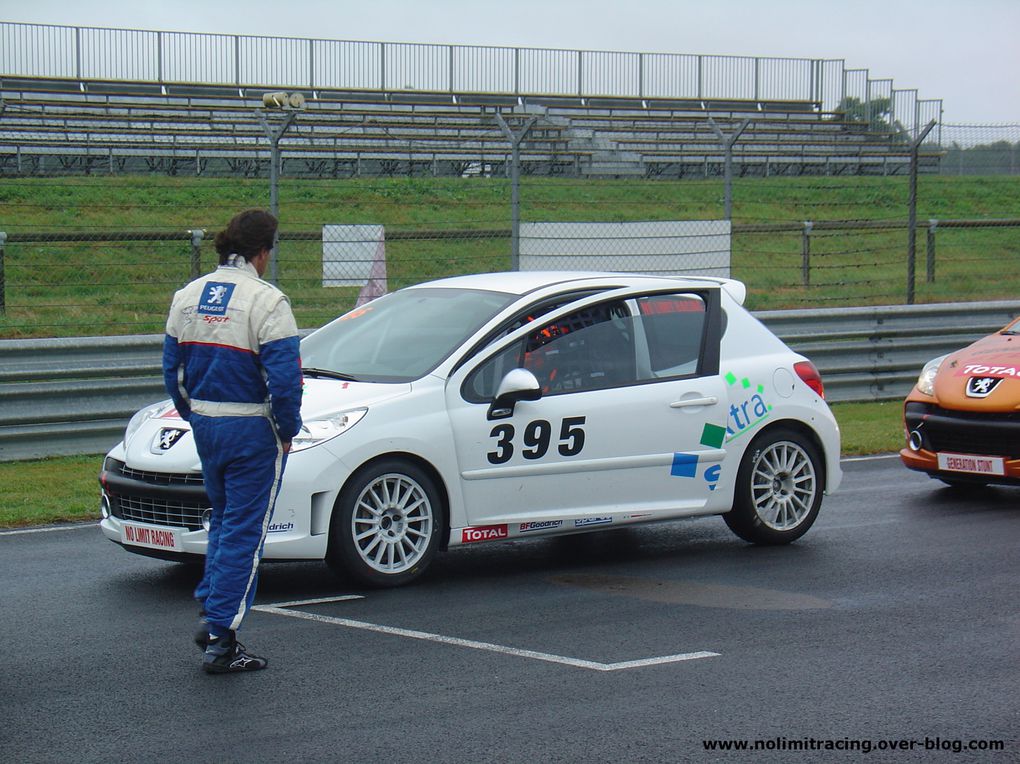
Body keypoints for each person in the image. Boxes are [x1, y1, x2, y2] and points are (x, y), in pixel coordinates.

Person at [162, 209, 303, 674]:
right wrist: (286, 429)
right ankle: (221, 638)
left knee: (224, 519)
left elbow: (173, 372)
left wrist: (195, 415)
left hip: (205, 423)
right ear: (262, 252)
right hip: (250, 429)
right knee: (246, 530)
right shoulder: (268, 301)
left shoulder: (188, 295)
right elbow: (285, 383)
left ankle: (212, 611)